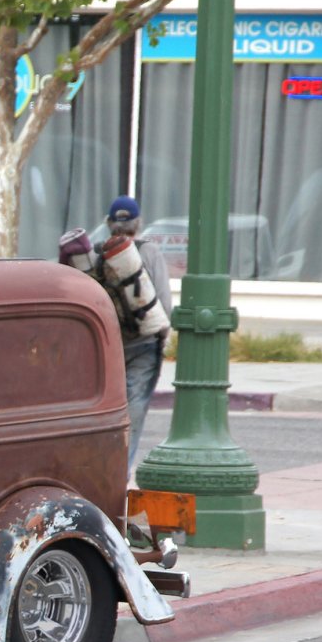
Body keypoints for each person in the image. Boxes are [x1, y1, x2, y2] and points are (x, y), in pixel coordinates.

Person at [104, 195, 174, 469]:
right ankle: (121, 476)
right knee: (132, 417)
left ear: (109, 223)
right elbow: (164, 303)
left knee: (109, 415)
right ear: (138, 222)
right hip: (145, 345)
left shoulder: (99, 253)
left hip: (111, 346)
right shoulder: (149, 252)